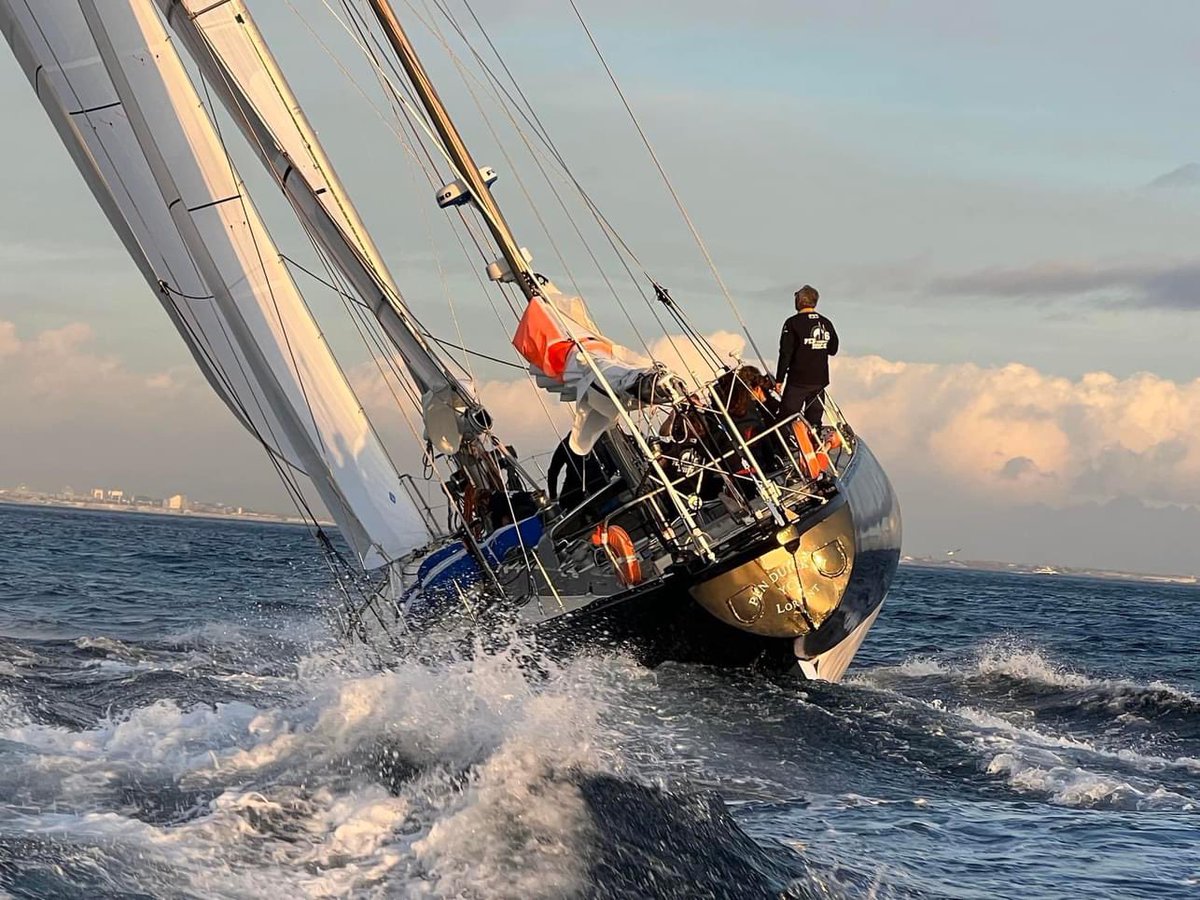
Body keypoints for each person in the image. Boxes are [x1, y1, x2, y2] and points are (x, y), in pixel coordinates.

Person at [775, 285, 838, 428]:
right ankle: (815, 446)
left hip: (798, 382)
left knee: (785, 421)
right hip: (819, 382)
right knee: (813, 422)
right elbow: (833, 349)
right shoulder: (826, 323)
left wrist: (779, 379)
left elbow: (785, 353)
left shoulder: (792, 323)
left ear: (799, 300)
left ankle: (783, 447)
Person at [546, 435, 608, 511]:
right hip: (576, 492)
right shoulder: (565, 445)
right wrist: (553, 497)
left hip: (599, 484)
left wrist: (553, 498)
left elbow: (553, 471)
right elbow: (553, 471)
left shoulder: (599, 435)